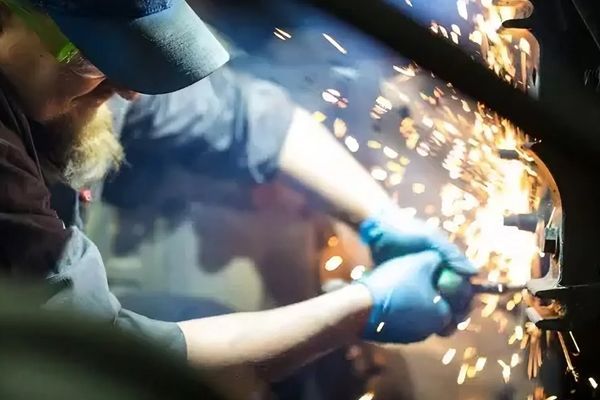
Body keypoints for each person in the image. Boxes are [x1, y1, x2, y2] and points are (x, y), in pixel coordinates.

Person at [0, 0, 475, 397]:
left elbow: (244, 116)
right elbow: (98, 363)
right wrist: (363, 307)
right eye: (92, 56)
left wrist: (381, 215)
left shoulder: (74, 74)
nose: (130, 90)